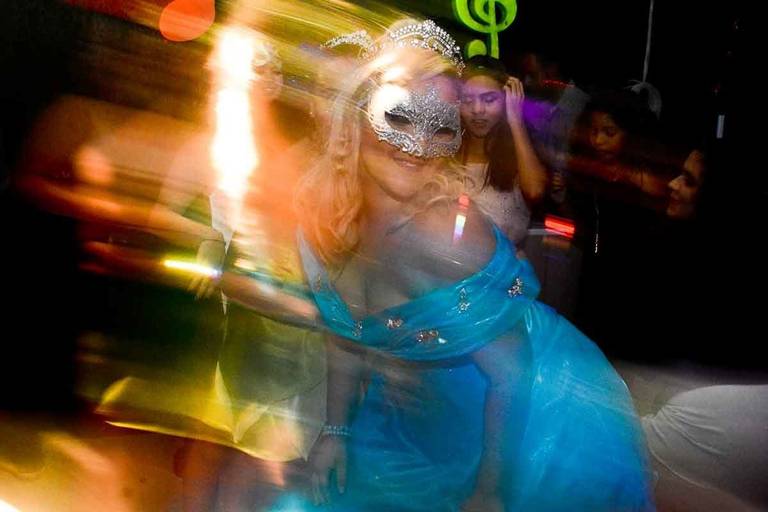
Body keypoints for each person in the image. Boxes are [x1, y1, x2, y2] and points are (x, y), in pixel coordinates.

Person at [249, 19, 654, 511]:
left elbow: (513, 374)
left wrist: (490, 492)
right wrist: (335, 431)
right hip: (416, 413)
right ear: (354, 117)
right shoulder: (319, 218)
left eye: (440, 125)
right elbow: (346, 332)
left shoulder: (449, 239)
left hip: (535, 420)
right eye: (399, 117)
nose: (418, 145)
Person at [457, 56, 548, 245]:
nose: (477, 109)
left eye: (489, 99)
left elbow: (535, 191)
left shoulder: (518, 151)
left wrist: (515, 118)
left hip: (505, 262)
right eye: (468, 100)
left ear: (506, 100)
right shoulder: (449, 148)